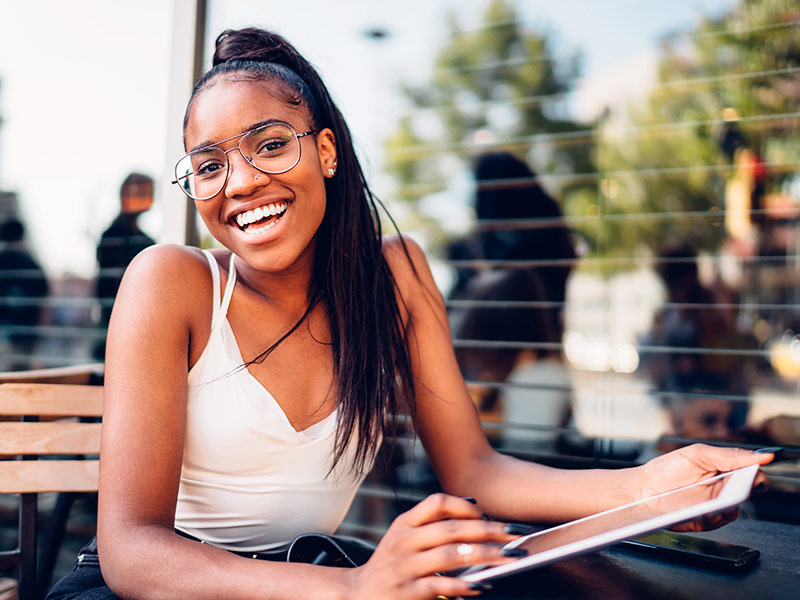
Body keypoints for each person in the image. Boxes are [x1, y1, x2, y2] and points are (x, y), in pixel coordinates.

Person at [47, 28, 773, 600]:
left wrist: (651, 488)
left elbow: (475, 470)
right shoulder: (172, 280)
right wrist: (357, 586)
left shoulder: (395, 275)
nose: (240, 184)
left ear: (325, 151)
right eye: (209, 164)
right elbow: (130, 551)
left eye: (270, 145)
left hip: (312, 578)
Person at [93, 172, 156, 359]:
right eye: (142, 191)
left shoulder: (143, 239)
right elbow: (110, 282)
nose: (149, 197)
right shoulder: (114, 236)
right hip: (119, 318)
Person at [0, 218, 49, 369]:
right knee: (19, 374)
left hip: (10, 329)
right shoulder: (30, 264)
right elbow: (44, 294)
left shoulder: (4, 261)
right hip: (25, 331)